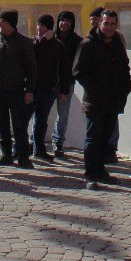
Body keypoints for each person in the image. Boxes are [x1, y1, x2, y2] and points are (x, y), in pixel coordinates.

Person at [74, 10, 131, 190]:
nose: (109, 27)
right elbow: (78, 72)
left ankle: (100, 170)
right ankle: (91, 174)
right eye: (106, 24)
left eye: (112, 24)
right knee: (93, 137)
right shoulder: (88, 44)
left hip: (113, 101)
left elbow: (123, 68)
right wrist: (96, 89)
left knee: (105, 137)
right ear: (100, 24)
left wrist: (125, 87)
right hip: (95, 101)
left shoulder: (117, 44)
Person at [0, 9, 37, 168]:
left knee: (19, 124)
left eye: (3, 22)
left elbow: (32, 68)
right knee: (1, 123)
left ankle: (23, 156)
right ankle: (6, 154)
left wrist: (29, 90)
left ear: (11, 23)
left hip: (17, 90)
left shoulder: (24, 42)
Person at [31, 14, 71, 161]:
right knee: (23, 120)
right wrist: (43, 40)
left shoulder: (59, 46)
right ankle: (22, 149)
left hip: (48, 88)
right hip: (30, 87)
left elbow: (64, 70)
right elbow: (32, 56)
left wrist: (64, 90)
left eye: (41, 26)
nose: (38, 28)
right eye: (38, 25)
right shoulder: (33, 42)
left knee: (41, 121)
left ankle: (39, 150)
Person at [52, 10, 83, 157]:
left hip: (67, 83)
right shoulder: (51, 38)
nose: (64, 23)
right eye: (62, 20)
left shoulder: (77, 41)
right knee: (40, 113)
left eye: (68, 21)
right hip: (48, 82)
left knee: (62, 114)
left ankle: (58, 142)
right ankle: (34, 140)